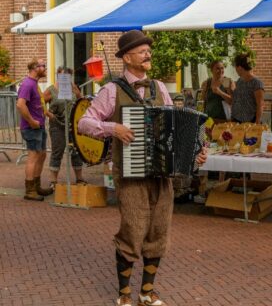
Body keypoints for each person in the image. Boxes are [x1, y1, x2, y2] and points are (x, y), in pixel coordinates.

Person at [78, 30, 207, 306]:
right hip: (130, 174)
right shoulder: (111, 90)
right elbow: (84, 123)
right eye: (142, 50)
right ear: (127, 57)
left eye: (149, 50)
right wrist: (114, 127)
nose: (148, 54)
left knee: (159, 232)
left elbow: (175, 126)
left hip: (161, 174)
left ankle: (146, 293)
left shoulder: (159, 88)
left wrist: (193, 153)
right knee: (133, 230)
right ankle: (124, 294)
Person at [16, 58, 53, 201]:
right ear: (35, 68)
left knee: (42, 154)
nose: (45, 68)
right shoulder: (27, 84)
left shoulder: (34, 84)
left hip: (39, 126)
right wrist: (31, 121)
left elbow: (39, 103)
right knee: (33, 156)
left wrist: (48, 115)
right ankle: (30, 190)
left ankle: (37, 186)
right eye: (43, 66)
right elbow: (20, 105)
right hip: (32, 128)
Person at [43, 66, 84, 188]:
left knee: (76, 152)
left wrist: (78, 94)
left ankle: (80, 178)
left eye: (67, 76)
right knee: (57, 152)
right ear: (58, 76)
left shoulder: (73, 88)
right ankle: (53, 181)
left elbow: (81, 102)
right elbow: (40, 104)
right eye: (62, 76)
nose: (64, 79)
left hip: (73, 125)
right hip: (57, 126)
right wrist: (49, 114)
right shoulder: (51, 90)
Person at [231, 53, 265, 124]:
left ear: (239, 68)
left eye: (235, 67)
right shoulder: (240, 81)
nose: (235, 70)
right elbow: (236, 99)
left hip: (251, 122)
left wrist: (257, 123)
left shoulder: (256, 83)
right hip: (236, 121)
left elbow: (260, 105)